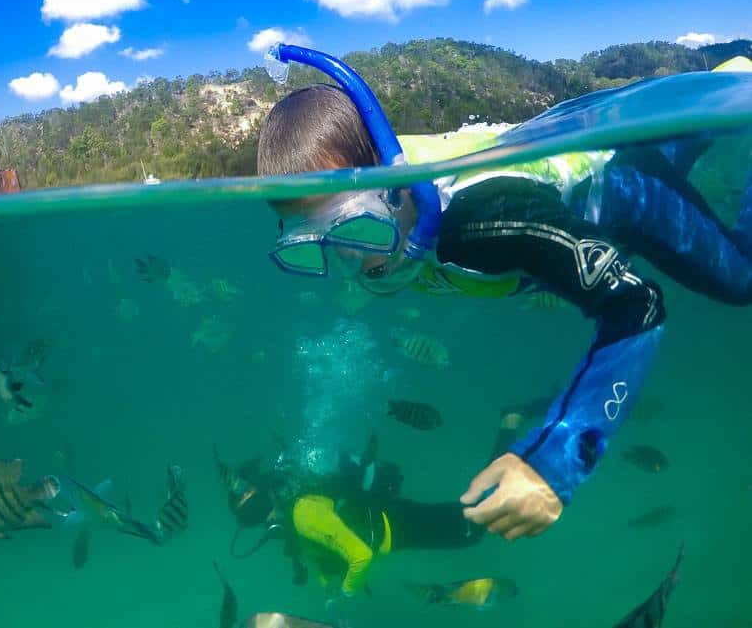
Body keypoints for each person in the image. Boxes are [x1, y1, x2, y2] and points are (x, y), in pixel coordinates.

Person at [256, 45, 752, 552]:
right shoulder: (395, 226)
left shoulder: (485, 222)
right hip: (598, 171)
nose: (354, 263)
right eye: (318, 247)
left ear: (395, 187)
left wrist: (555, 464)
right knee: (676, 147)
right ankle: (711, 105)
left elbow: (636, 305)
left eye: (354, 227)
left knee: (741, 279)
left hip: (623, 189)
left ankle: (738, 92)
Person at [218, 423, 519, 597]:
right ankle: (508, 458)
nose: (267, 526)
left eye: (261, 520)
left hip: (398, 525)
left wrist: (347, 593)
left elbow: (360, 556)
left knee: (474, 526)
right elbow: (323, 549)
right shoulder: (297, 515)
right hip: (394, 522)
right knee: (472, 517)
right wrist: (328, 586)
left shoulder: (301, 515)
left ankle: (510, 432)